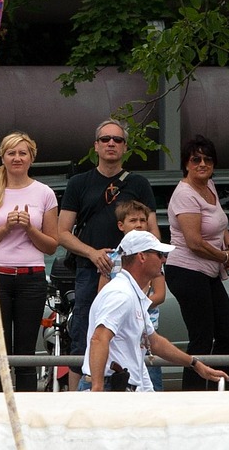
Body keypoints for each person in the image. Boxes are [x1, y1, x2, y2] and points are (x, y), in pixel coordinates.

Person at [57, 118, 156, 390]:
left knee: (136, 336)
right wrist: (92, 253)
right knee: (84, 337)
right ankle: (82, 397)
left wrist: (154, 268)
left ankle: (136, 392)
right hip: (90, 272)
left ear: (125, 147)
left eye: (117, 139)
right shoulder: (79, 183)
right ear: (96, 146)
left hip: (132, 274)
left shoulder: (139, 183)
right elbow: (62, 233)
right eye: (105, 139)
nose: (111, 143)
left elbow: (153, 234)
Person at [82, 231, 228, 391]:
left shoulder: (130, 292)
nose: (164, 259)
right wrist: (97, 389)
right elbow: (99, 339)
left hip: (116, 386)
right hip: (109, 387)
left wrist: (195, 364)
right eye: (159, 254)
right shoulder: (121, 294)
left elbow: (155, 342)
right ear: (142, 257)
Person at [0, 131, 59, 392]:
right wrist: (5, 228)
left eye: (22, 153)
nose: (17, 158)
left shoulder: (44, 193)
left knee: (25, 353)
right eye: (11, 153)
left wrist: (30, 229)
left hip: (31, 277)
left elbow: (52, 246)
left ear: (31, 157)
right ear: (2, 157)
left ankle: (26, 409)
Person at [165, 135, 229, 390]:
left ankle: (224, 388)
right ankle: (193, 397)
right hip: (186, 271)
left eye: (208, 159)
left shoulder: (209, 186)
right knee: (201, 337)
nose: (202, 164)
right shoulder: (184, 194)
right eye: (195, 159)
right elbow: (194, 242)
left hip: (208, 272)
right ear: (186, 164)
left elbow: (220, 223)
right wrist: (224, 257)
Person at [101, 200, 166, 391]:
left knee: (152, 385)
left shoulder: (155, 257)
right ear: (121, 225)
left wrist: (134, 307)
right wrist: (124, 309)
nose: (139, 224)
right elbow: (101, 295)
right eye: (133, 220)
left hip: (147, 333)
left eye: (143, 220)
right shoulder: (110, 259)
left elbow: (160, 294)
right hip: (118, 336)